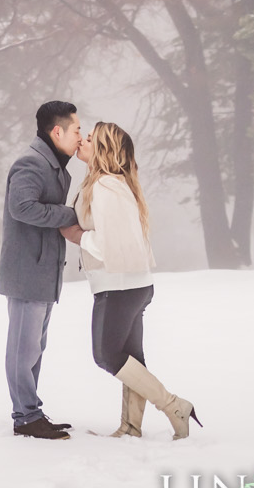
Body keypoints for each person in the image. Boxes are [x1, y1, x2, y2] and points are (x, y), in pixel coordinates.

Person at [72, 121, 201, 439]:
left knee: (106, 355)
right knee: (131, 358)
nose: (82, 142)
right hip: (132, 284)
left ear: (102, 148)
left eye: (89, 139)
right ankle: (131, 427)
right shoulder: (113, 184)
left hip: (119, 285)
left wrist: (77, 236)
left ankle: (173, 406)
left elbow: (107, 243)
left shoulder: (105, 187)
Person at [0, 100, 83, 439]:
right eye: (76, 130)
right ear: (57, 131)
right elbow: (21, 208)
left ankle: (30, 412)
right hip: (27, 273)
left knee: (34, 348)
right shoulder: (32, 163)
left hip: (43, 272)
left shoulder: (54, 167)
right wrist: (70, 215)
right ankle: (26, 417)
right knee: (23, 349)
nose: (81, 136)